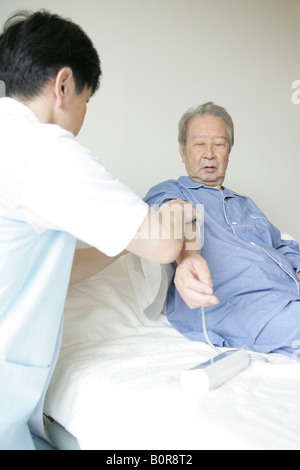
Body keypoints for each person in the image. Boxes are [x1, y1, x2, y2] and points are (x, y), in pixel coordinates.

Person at [0, 10, 209, 450]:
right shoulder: (44, 150)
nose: (82, 117)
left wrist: (125, 241)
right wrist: (170, 215)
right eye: (86, 101)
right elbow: (165, 242)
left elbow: (56, 270)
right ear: (63, 85)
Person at [144, 101, 300, 359]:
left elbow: (281, 244)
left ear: (229, 151)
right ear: (182, 151)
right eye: (199, 143)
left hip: (286, 293)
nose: (209, 153)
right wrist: (188, 256)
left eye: (219, 143)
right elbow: (175, 216)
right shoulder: (170, 192)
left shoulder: (245, 203)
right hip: (238, 304)